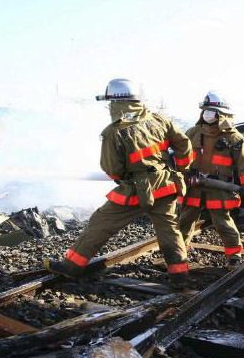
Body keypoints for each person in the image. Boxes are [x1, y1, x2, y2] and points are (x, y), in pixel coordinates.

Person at [44, 78, 194, 290]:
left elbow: (111, 167)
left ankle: (72, 266)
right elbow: (183, 144)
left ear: (115, 103)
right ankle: (180, 276)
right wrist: (182, 169)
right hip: (165, 184)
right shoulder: (159, 120)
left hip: (135, 189)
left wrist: (127, 178)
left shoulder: (113, 132)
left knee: (100, 223)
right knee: (169, 230)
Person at [179, 91, 244, 269]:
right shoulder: (192, 133)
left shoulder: (234, 138)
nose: (207, 114)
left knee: (222, 223)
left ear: (222, 114)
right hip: (194, 186)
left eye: (212, 111)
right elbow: (181, 157)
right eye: (205, 110)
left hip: (219, 187)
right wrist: (182, 174)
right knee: (185, 221)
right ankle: (179, 254)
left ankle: (233, 258)